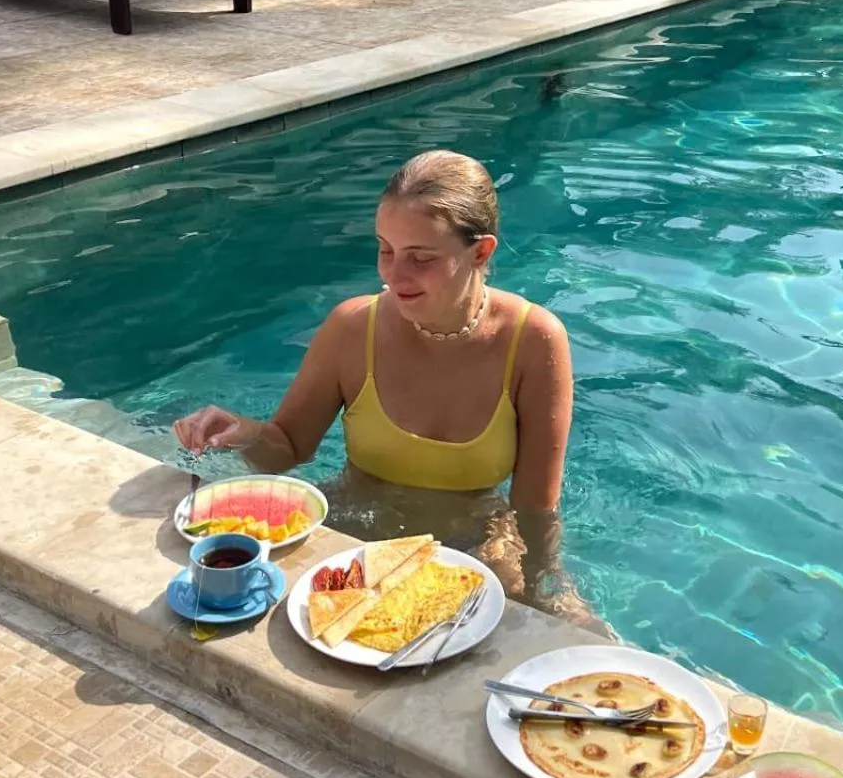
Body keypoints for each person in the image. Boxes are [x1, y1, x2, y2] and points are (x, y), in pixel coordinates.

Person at [174, 149, 588, 618]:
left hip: (471, 546)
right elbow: (287, 447)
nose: (394, 274)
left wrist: (546, 588)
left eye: (420, 257)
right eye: (385, 249)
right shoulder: (352, 328)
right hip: (351, 536)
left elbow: (535, 508)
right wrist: (242, 432)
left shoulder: (533, 341)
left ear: (481, 250)